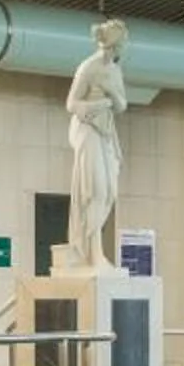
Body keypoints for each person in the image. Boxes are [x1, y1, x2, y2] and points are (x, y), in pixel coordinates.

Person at [63, 18, 130, 271]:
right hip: (88, 130)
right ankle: (93, 253)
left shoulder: (115, 70)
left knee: (110, 190)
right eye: (123, 42)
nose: (125, 46)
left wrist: (111, 93)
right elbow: (71, 104)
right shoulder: (88, 67)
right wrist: (100, 104)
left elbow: (122, 105)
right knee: (96, 189)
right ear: (115, 43)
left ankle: (95, 253)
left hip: (106, 132)